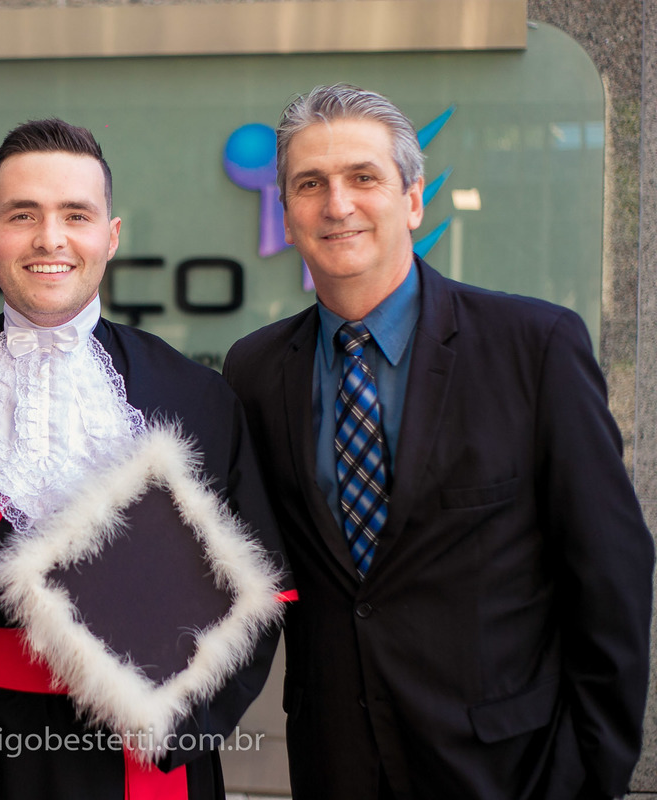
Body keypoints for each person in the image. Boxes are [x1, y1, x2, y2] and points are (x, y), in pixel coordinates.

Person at [0, 118, 293, 800]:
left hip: (141, 757)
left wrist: (181, 730)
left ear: (110, 237)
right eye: (23, 215)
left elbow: (258, 600)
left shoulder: (194, 397)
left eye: (75, 215)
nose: (50, 238)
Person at [223, 83, 654, 799]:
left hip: (508, 771)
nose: (338, 204)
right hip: (336, 766)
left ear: (413, 199)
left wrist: (589, 774)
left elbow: (609, 576)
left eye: (364, 177)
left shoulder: (534, 347)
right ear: (287, 214)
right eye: (310, 184)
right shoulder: (257, 369)